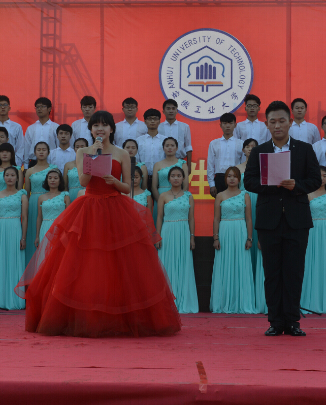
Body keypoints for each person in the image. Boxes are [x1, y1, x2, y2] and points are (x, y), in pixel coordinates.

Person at [17, 110, 181, 337]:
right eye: (96, 125)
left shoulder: (122, 153)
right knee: (87, 263)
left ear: (112, 129)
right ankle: (85, 316)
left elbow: (127, 187)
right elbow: (83, 181)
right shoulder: (83, 151)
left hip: (115, 208)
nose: (100, 129)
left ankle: (119, 318)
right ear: (91, 130)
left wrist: (114, 181)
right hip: (89, 208)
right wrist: (92, 156)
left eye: (104, 125)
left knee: (119, 264)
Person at [244, 100, 322, 337]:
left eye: (281, 121)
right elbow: (249, 182)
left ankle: (292, 321)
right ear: (266, 124)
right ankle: (275, 322)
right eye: (273, 122)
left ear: (290, 122)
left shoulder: (304, 149)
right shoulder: (259, 151)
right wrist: (271, 184)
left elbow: (315, 180)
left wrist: (296, 185)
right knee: (272, 272)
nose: (277, 125)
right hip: (269, 220)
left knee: (294, 272)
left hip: (297, 220)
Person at [210, 167, 254, 314]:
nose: (232, 179)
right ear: (225, 179)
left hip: (240, 231)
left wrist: (249, 238)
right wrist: (216, 237)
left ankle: (241, 302)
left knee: (241, 265)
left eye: (235, 176)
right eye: (229, 176)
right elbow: (216, 219)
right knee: (225, 264)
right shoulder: (220, 195)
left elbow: (249, 219)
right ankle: (223, 302)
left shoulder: (245, 195)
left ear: (239, 179)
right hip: (225, 232)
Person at [156, 166, 198, 314]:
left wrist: (192, 237)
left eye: (179, 176)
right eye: (173, 176)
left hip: (183, 232)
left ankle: (183, 300)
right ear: (168, 179)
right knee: (167, 264)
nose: (176, 178)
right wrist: (158, 236)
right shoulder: (163, 196)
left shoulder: (189, 196)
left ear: (183, 178)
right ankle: (166, 301)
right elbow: (159, 217)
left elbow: (191, 218)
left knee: (183, 264)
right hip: (167, 232)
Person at [0, 166, 28, 310]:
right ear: (3, 178)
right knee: (0, 261)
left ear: (17, 178)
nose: (10, 178)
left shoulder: (22, 195)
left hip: (15, 228)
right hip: (0, 229)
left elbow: (24, 217)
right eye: (7, 175)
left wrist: (23, 237)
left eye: (12, 175)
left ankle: (14, 299)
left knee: (14, 261)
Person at [301, 166, 326, 314]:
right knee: (311, 262)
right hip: (311, 230)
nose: (322, 178)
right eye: (319, 175)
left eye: (325, 175)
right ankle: (310, 300)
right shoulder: (307, 194)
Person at [24, 142, 57, 265]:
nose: (41, 152)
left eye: (44, 149)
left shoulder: (54, 168)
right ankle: (32, 266)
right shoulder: (29, 171)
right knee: (33, 230)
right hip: (33, 202)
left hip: (49, 202)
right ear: (34, 152)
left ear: (48, 152)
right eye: (39, 149)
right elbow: (27, 192)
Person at [236, 138, 260, 308]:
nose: (250, 149)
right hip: (242, 203)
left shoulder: (262, 167)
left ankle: (258, 288)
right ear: (243, 150)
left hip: (258, 200)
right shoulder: (237, 169)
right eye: (247, 147)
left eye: (254, 147)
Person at [152, 137, 189, 224]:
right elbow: (154, 186)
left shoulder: (183, 164)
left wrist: (179, 200)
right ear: (163, 148)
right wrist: (160, 201)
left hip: (178, 197)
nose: (169, 148)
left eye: (172, 145)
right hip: (160, 196)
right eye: (167, 145)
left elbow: (186, 186)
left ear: (176, 148)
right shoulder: (157, 165)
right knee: (160, 223)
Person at [207, 113, 243, 197]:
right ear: (220, 125)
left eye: (230, 123)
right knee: (220, 203)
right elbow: (210, 165)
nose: (227, 126)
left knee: (235, 203)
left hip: (236, 178)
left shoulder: (241, 143)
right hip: (220, 178)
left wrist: (241, 183)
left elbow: (243, 164)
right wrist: (212, 184)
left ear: (235, 125)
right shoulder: (214, 143)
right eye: (225, 123)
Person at [35, 169, 69, 247]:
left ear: (60, 181)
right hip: (45, 228)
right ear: (47, 180)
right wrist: (37, 236)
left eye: (55, 178)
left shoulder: (65, 196)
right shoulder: (41, 197)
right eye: (50, 178)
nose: (52, 180)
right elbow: (39, 217)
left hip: (60, 228)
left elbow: (68, 217)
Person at [159, 99, 193, 174]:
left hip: (179, 162)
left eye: (173, 108)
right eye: (168, 108)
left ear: (177, 111)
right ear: (163, 111)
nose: (171, 111)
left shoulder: (184, 126)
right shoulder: (158, 127)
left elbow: (188, 147)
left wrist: (189, 166)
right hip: (162, 162)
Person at [136, 108, 165, 190]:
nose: (152, 121)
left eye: (155, 119)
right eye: (149, 119)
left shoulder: (165, 140)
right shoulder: (138, 140)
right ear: (145, 121)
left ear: (159, 121)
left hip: (161, 177)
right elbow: (137, 160)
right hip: (143, 177)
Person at [24, 97, 59, 168]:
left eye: (42, 106)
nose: (39, 109)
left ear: (49, 109)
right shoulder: (31, 128)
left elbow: (58, 147)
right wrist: (25, 165)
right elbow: (26, 148)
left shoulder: (56, 127)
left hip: (51, 162)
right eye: (37, 107)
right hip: (34, 162)